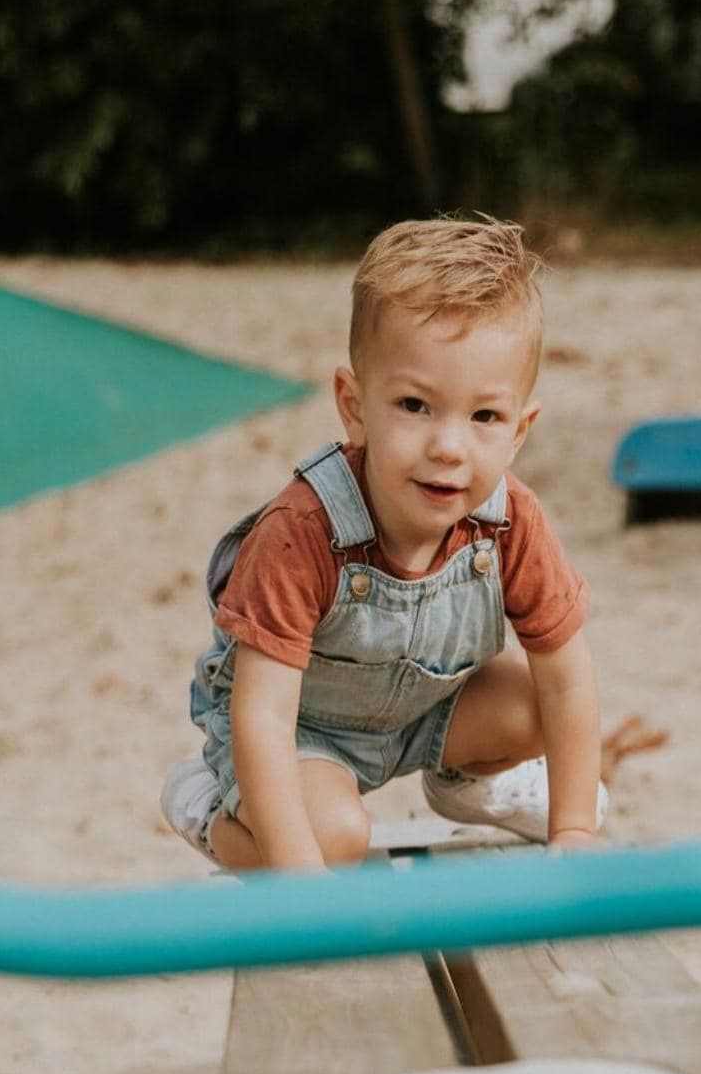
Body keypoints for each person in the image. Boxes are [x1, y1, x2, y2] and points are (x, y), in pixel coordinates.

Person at [159, 216, 604, 871]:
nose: (449, 448)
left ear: (519, 429)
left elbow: (568, 681)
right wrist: (303, 887)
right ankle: (204, 809)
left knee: (540, 704)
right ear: (354, 404)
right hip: (299, 734)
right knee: (334, 840)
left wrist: (574, 838)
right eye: (415, 406)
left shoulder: (511, 522)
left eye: (484, 416)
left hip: (424, 715)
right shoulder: (303, 533)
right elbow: (262, 717)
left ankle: (464, 783)